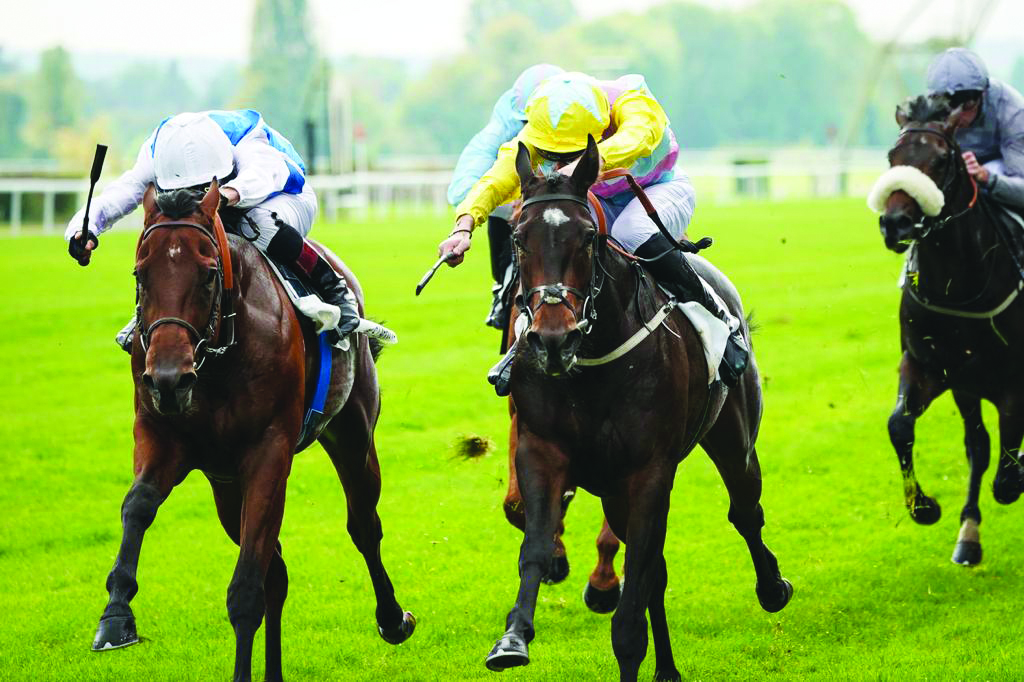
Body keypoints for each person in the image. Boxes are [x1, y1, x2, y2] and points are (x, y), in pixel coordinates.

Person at [437, 71, 748, 394]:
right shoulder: (541, 127)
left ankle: (720, 318)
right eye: (554, 155)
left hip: (657, 188)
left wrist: (584, 163)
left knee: (630, 231)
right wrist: (464, 226)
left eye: (569, 154)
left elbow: (637, 138)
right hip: (594, 196)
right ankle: (522, 341)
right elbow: (496, 180)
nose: (560, 161)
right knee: (548, 233)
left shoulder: (632, 100)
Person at [65, 109, 360, 350]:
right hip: (229, 197)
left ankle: (334, 289)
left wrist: (225, 196)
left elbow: (263, 176)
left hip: (283, 195)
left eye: (201, 187)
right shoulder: (159, 150)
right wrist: (84, 229)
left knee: (254, 223)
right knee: (173, 236)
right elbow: (124, 191)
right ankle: (157, 314)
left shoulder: (245, 136)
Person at [447, 63, 565, 331]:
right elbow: (462, 190)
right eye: (529, 122)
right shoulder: (501, 129)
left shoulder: (583, 119)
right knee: (502, 211)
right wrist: (513, 203)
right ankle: (504, 287)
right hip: (525, 209)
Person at [926, 47, 1024, 210]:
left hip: (1000, 168)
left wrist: (987, 177)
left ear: (983, 94)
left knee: (992, 171)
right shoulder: (929, 110)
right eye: (948, 108)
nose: (957, 117)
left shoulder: (1012, 111)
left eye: (967, 106)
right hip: (956, 168)